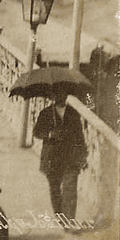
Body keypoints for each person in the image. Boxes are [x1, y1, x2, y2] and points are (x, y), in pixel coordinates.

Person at [32, 92, 87, 224]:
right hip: (51, 157)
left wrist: (83, 154)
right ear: (53, 96)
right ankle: (60, 215)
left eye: (63, 93)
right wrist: (50, 134)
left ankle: (69, 221)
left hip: (70, 157)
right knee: (55, 188)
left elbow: (79, 135)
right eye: (57, 93)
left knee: (70, 189)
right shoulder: (45, 113)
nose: (60, 97)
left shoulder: (73, 114)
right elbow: (36, 132)